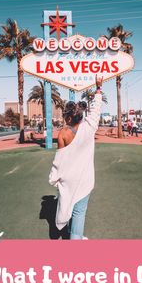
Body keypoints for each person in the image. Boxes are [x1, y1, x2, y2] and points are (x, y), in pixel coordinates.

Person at [49, 76, 103, 240]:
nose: (64, 119)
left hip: (68, 180)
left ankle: (71, 234)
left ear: (70, 118)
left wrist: (53, 178)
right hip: (85, 179)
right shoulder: (90, 126)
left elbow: (59, 161)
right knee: (79, 211)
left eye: (65, 116)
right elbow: (96, 109)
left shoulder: (63, 133)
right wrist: (98, 89)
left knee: (67, 207)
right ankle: (76, 239)